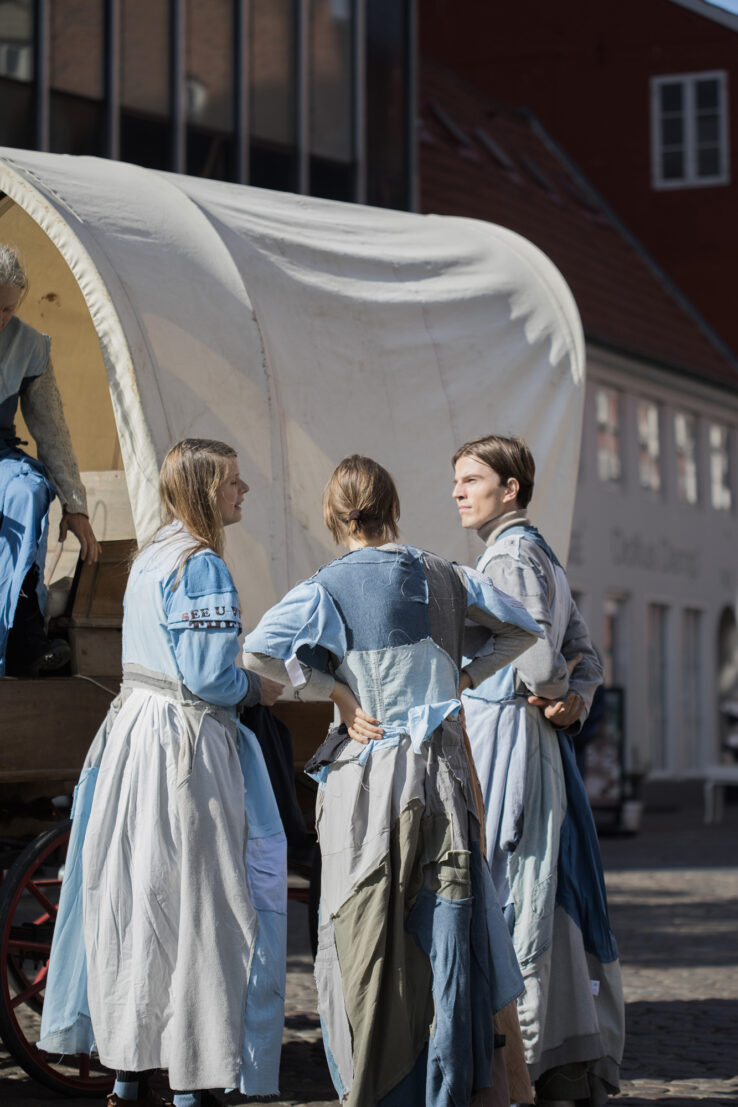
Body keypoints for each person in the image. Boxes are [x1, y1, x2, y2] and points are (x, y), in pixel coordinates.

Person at [242, 454, 545, 1107]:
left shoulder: (326, 584)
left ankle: (370, 1083)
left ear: (334, 511)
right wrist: (464, 677)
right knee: (447, 935)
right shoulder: (445, 573)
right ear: (392, 503)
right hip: (443, 774)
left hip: (368, 778)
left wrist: (335, 690)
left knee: (364, 932)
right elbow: (523, 627)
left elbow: (258, 651)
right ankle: (448, 1084)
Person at [39, 439, 287, 1106]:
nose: (243, 492)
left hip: (135, 734)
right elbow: (209, 675)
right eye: (233, 483)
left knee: (142, 897)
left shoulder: (152, 555)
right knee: (201, 902)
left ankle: (130, 1071)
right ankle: (190, 1076)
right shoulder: (201, 565)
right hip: (184, 746)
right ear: (207, 490)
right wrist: (256, 687)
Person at [452, 434, 625, 1107]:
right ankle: (546, 1060)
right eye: (458, 481)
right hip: (529, 733)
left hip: (508, 736)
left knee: (513, 880)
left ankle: (514, 1065)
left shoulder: (514, 553)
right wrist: (574, 694)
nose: (460, 492)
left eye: (472, 479)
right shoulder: (535, 550)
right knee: (538, 883)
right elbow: (585, 649)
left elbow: (537, 650)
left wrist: (557, 690)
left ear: (510, 488)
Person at [0, 243, 100, 677]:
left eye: (5, 309)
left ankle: (22, 635)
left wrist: (75, 504)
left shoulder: (29, 345)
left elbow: (51, 429)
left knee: (30, 490)